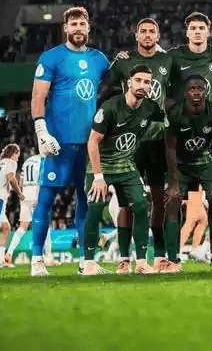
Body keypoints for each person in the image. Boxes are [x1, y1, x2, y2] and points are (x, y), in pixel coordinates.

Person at [30, 6, 110, 276]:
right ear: (65, 28)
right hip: (58, 142)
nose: (78, 28)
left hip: (89, 144)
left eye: (82, 24)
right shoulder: (52, 57)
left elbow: (119, 82)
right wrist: (41, 131)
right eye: (73, 24)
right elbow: (38, 96)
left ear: (88, 28)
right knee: (46, 198)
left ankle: (87, 262)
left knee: (87, 201)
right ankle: (37, 260)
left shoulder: (100, 60)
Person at [101, 18, 172, 270]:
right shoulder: (124, 61)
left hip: (158, 140)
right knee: (125, 203)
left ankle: (159, 257)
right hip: (129, 142)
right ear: (136, 35)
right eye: (143, 31)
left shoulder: (167, 60)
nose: (148, 35)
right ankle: (124, 259)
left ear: (158, 36)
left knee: (159, 199)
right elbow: (105, 89)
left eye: (152, 31)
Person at [83, 65, 165, 275]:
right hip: (101, 165)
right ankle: (88, 263)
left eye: (147, 82)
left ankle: (141, 263)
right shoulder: (110, 107)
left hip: (126, 165)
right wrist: (98, 177)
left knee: (140, 207)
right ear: (129, 83)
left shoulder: (150, 108)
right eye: (138, 80)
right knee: (95, 210)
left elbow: (166, 123)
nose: (142, 85)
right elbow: (93, 141)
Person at [167, 12, 212, 265]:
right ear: (187, 32)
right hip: (180, 138)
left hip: (209, 140)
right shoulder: (174, 56)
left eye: (201, 28)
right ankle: (170, 258)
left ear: (208, 30)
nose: (197, 31)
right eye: (193, 28)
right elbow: (153, 66)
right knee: (171, 199)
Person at [165, 75, 212, 272]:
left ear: (206, 91)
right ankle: (173, 260)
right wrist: (173, 181)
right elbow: (169, 147)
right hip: (181, 165)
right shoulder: (175, 113)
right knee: (172, 202)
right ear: (185, 92)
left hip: (206, 162)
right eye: (192, 89)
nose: (196, 92)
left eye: (200, 88)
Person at [5, 154, 59, 267]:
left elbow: (21, 182)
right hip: (36, 192)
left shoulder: (27, 161)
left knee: (22, 227)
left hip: (25, 194)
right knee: (45, 224)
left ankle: (9, 253)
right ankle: (48, 257)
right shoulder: (44, 160)